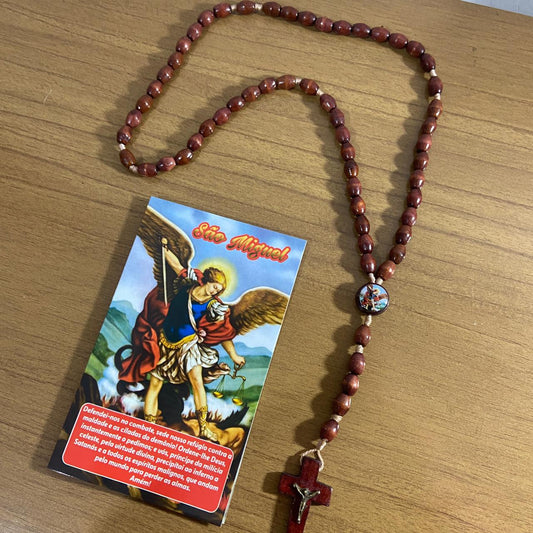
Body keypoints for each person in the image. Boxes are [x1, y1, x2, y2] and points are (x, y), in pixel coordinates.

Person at [118, 246, 245, 443]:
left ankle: (204, 428)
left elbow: (224, 334)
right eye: (215, 286)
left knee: (197, 382)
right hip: (165, 343)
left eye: (219, 290)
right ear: (207, 280)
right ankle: (148, 425)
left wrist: (234, 356)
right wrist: (163, 247)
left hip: (188, 347)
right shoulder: (186, 284)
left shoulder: (214, 306)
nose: (216, 291)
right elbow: (175, 264)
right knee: (155, 383)